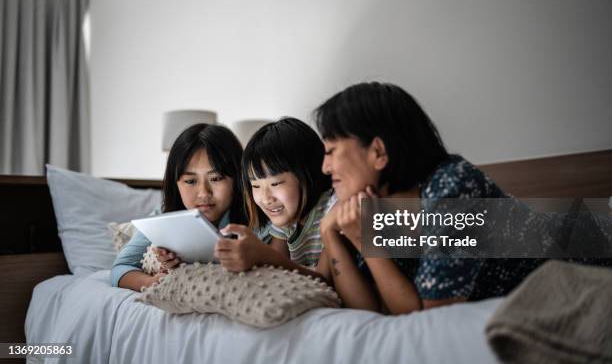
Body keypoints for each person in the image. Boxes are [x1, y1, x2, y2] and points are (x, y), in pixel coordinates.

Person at [313, 82, 546, 314]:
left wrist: (368, 241)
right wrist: (329, 233)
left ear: (379, 152)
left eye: (331, 151)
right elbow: (367, 311)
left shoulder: (455, 187)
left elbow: (428, 316)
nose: (325, 167)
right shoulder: (372, 207)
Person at [110, 123, 248, 291]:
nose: (204, 193)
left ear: (237, 178)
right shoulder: (164, 215)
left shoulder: (255, 214)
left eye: (216, 178)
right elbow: (120, 268)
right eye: (190, 181)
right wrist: (151, 282)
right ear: (176, 185)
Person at [214, 117, 334, 279]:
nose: (265, 198)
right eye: (255, 186)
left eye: (276, 183)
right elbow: (276, 271)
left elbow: (326, 279)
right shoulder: (285, 217)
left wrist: (265, 255)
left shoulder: (332, 208)